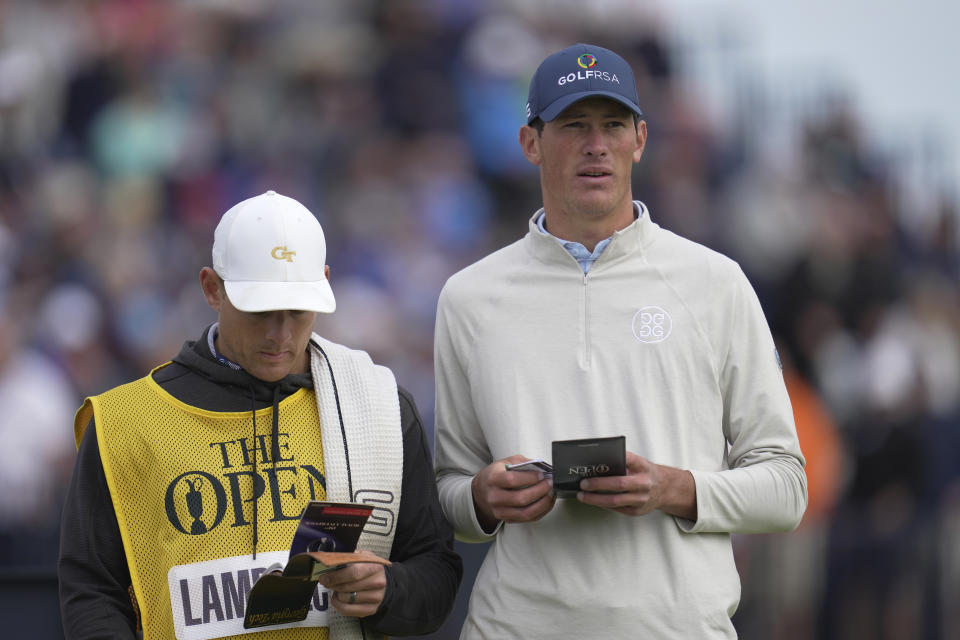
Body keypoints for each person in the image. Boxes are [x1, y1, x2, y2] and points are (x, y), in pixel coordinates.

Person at [433, 43, 807, 638]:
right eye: (573, 126)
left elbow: (787, 487)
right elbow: (447, 490)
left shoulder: (715, 283)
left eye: (612, 125)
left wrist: (673, 488)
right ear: (531, 143)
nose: (595, 145)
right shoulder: (468, 297)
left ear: (640, 139)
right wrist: (480, 497)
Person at [59, 190, 462, 639]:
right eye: (260, 312)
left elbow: (436, 573)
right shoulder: (123, 422)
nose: (281, 334)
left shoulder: (379, 405)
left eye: (297, 311)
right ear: (212, 288)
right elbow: (92, 593)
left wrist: (390, 590)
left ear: (324, 284)